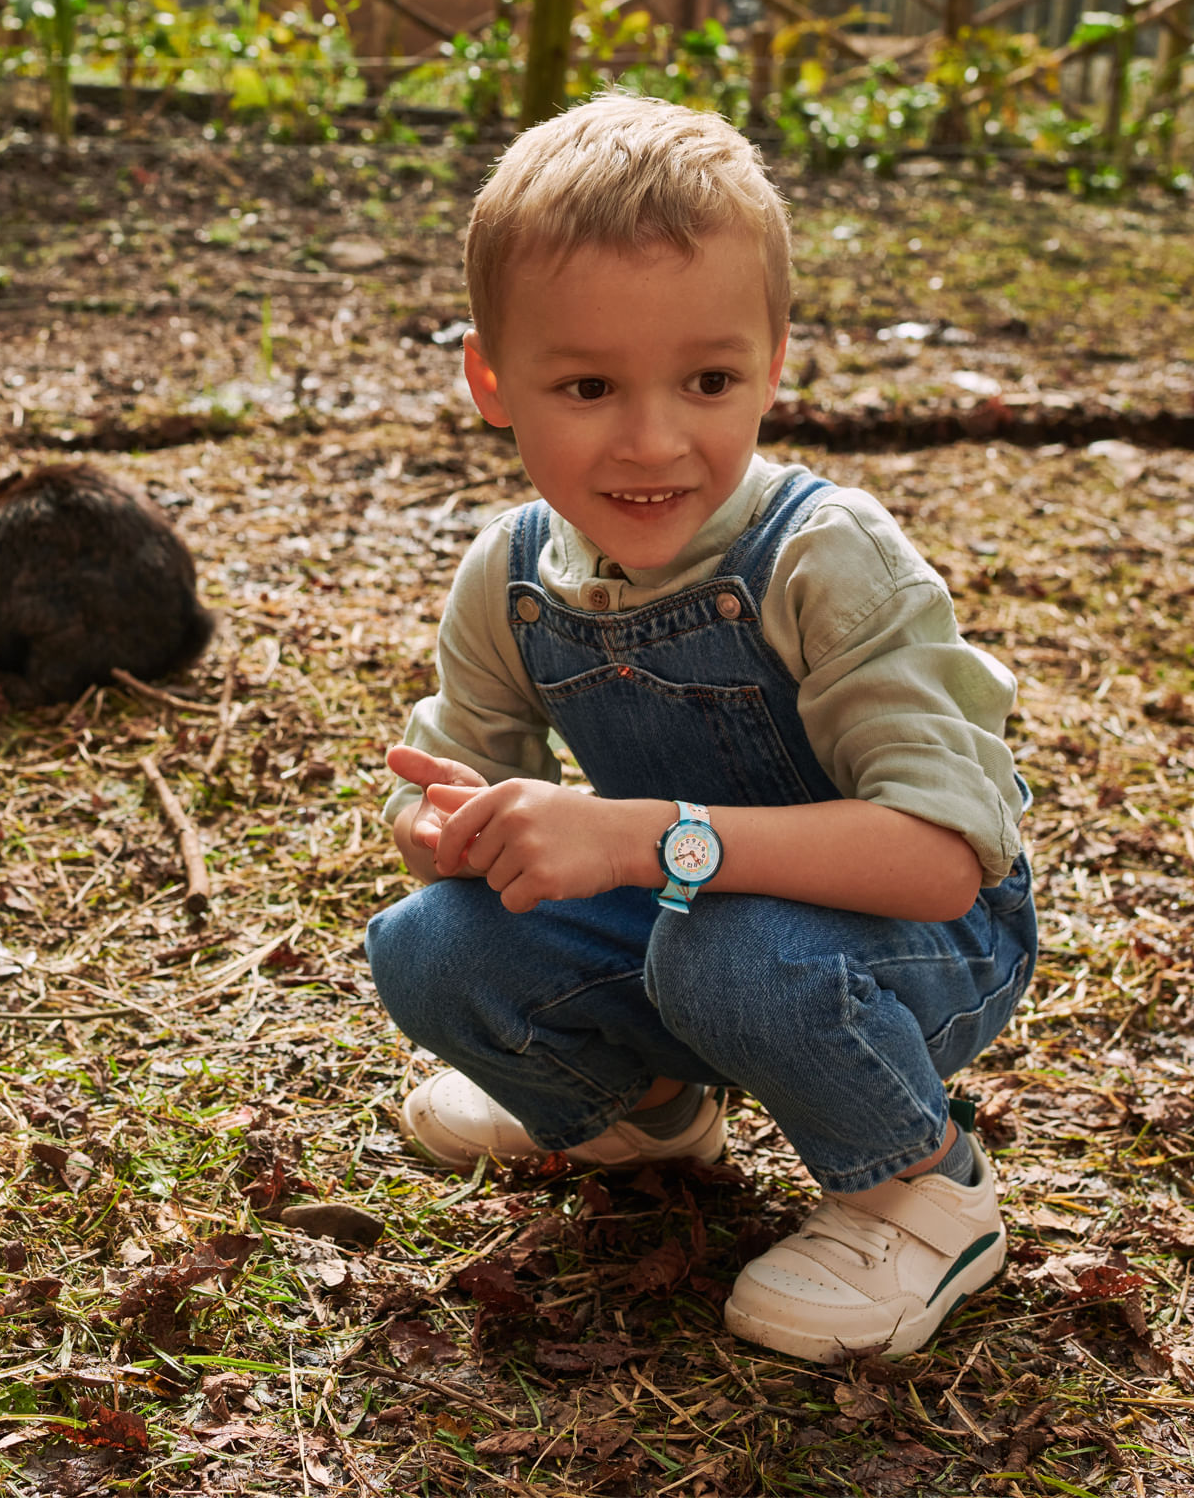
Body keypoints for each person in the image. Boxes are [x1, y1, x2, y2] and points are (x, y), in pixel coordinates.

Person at [364, 92, 1037, 1366]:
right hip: (694, 927)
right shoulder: (508, 574)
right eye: (587, 384)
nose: (654, 438)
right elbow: (448, 784)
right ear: (489, 380)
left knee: (729, 955)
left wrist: (637, 838)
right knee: (428, 948)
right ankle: (646, 1114)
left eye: (709, 380)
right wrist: (453, 825)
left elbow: (945, 858)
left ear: (775, 363)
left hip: (917, 946)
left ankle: (920, 1187)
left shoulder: (823, 557)